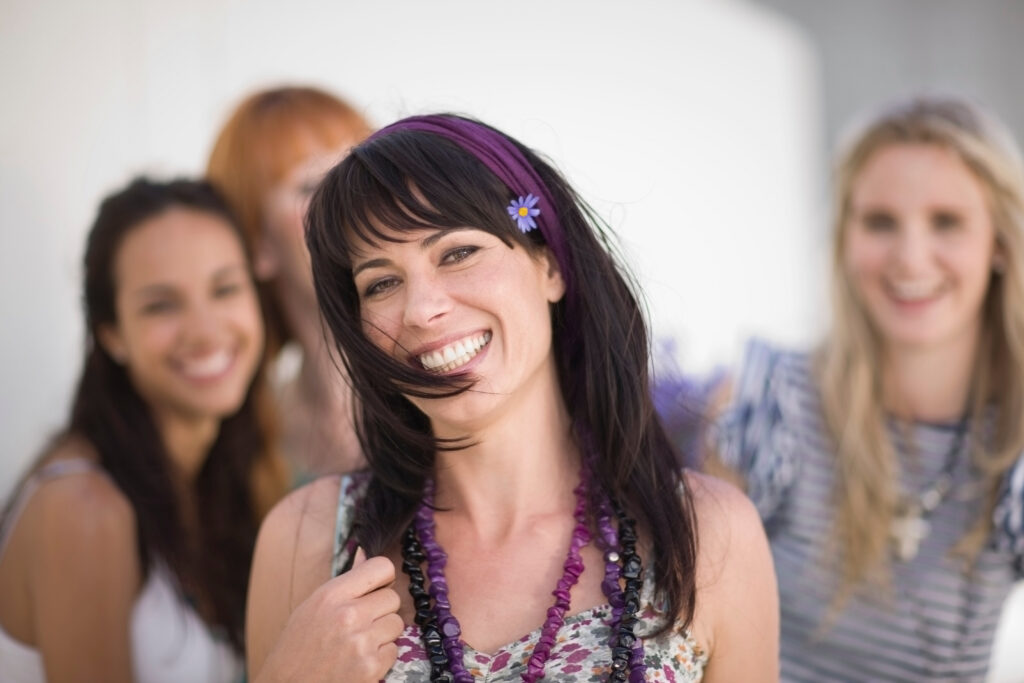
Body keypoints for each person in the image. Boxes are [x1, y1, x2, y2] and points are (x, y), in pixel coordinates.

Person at [245, 114, 778, 682]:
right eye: (381, 283)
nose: (422, 310)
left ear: (548, 263)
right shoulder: (303, 538)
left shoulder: (709, 536)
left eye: (457, 253)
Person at [713, 95, 1024, 681]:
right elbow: (687, 624)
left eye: (947, 222)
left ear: (1000, 243)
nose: (910, 259)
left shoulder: (1015, 440)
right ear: (844, 239)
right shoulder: (767, 400)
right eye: (880, 222)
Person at [0, 178, 288, 683]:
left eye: (224, 289)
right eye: (162, 305)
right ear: (112, 335)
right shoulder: (84, 508)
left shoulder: (220, 480)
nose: (204, 330)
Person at [207, 86, 373, 480]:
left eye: (361, 171)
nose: (354, 201)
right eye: (312, 186)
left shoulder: (448, 381)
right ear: (254, 243)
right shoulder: (245, 441)